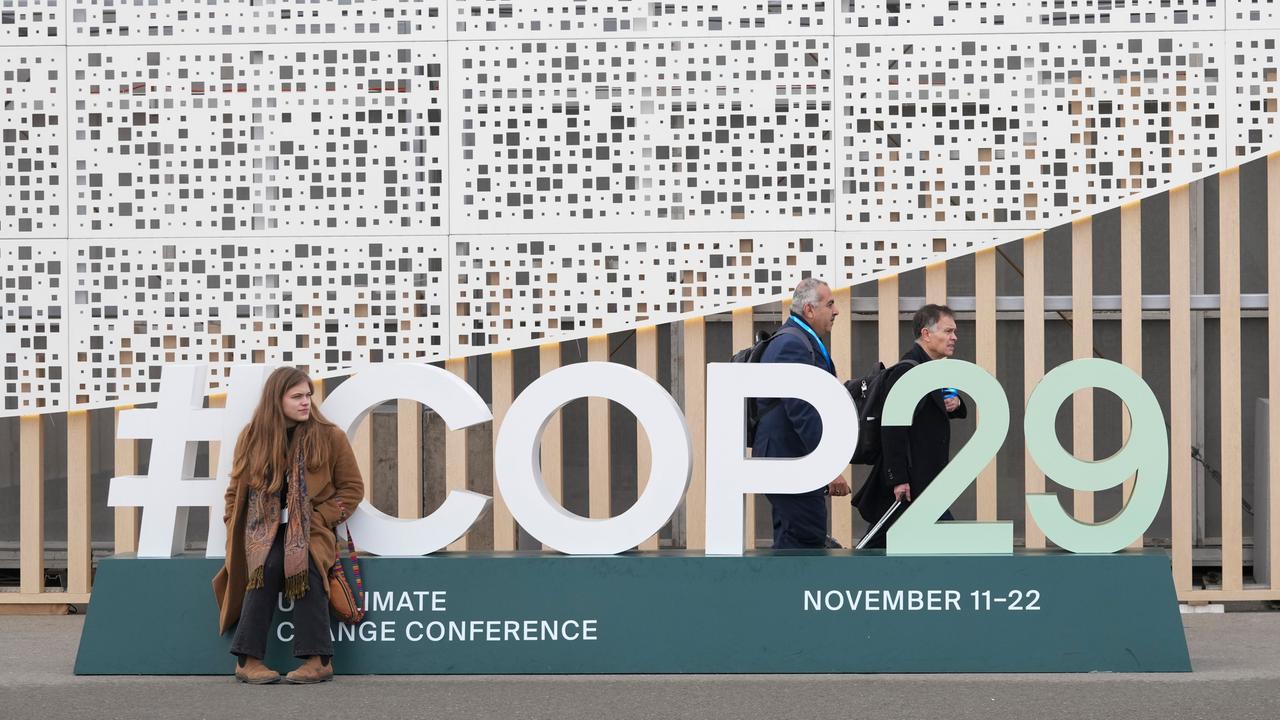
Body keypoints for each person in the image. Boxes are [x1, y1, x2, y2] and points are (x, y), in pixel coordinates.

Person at [212, 367, 365, 684]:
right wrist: (236, 526)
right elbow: (234, 491)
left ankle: (319, 659)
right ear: (276, 399)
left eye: (308, 395)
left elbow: (352, 490)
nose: (306, 402)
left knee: (305, 564)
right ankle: (247, 660)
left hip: (310, 530)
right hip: (261, 531)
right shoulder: (253, 436)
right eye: (297, 396)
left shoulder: (329, 436)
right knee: (264, 567)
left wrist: (320, 517)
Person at [853, 304, 967, 549]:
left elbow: (935, 408)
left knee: (885, 544)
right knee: (882, 545)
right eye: (948, 331)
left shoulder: (932, 367)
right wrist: (898, 480)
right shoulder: (908, 370)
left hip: (925, 481)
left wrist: (956, 403)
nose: (954, 337)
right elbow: (892, 429)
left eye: (954, 332)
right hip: (912, 483)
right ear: (926, 334)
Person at [755, 277, 851, 549]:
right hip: (790, 458)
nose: (836, 311)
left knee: (792, 537)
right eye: (830, 304)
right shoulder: (792, 344)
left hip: (789, 457)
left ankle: (780, 591)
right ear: (809, 310)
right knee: (805, 538)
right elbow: (802, 409)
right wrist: (828, 465)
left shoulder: (797, 339)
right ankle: (792, 591)